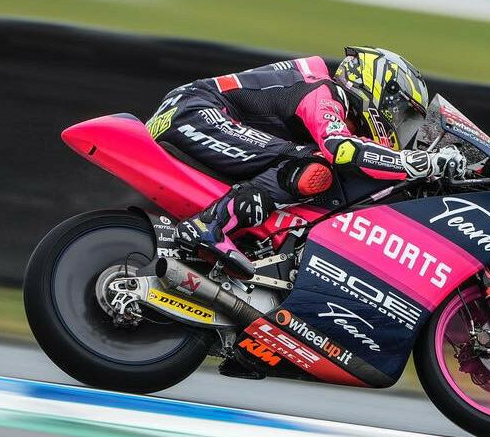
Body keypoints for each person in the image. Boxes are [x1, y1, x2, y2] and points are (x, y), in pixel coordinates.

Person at [147, 46, 466, 275]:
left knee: (313, 170)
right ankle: (210, 226)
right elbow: (341, 148)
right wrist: (416, 162)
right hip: (193, 110)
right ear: (376, 88)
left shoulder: (333, 103)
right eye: (403, 113)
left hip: (201, 115)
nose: (400, 124)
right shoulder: (324, 92)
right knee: (312, 168)